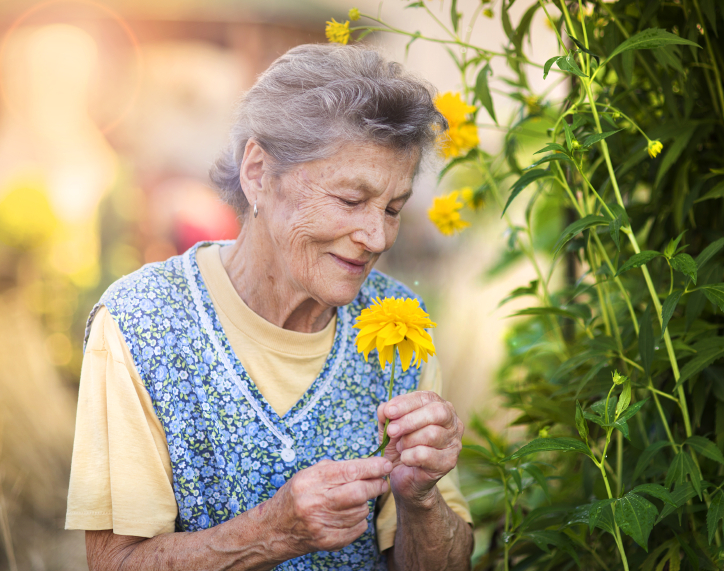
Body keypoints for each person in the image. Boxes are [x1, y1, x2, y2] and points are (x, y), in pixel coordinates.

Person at [66, 44, 473, 570]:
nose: (376, 236)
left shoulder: (399, 325)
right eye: (351, 200)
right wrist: (272, 533)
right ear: (257, 173)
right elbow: (113, 564)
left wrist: (421, 498)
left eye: (393, 208)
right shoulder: (140, 323)